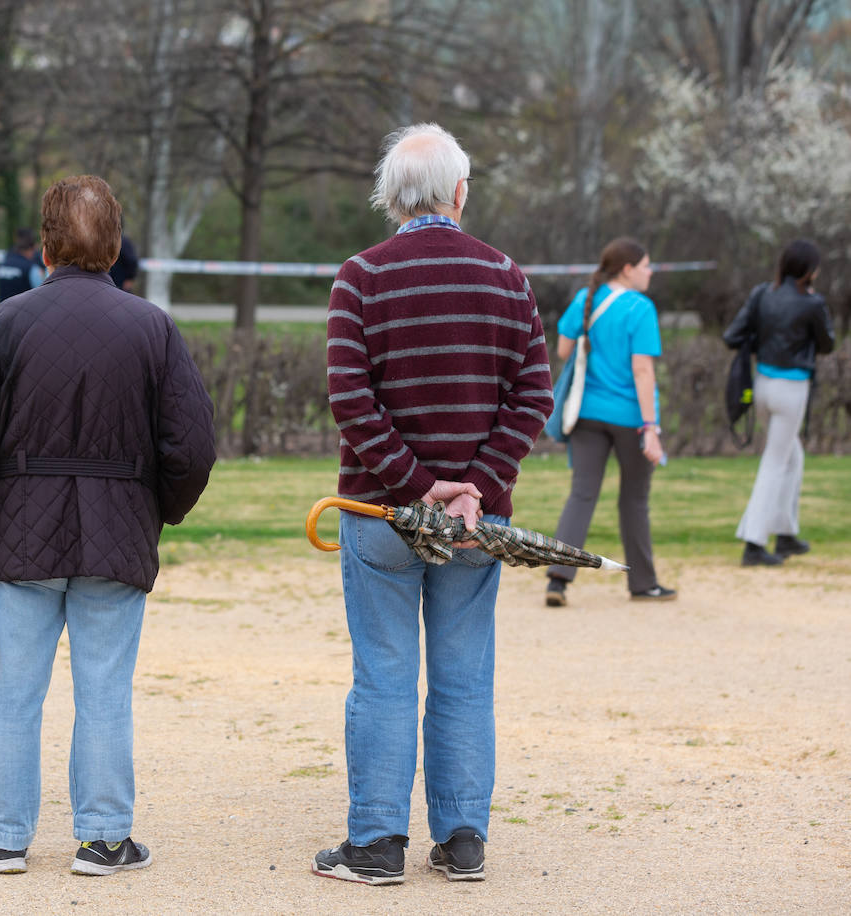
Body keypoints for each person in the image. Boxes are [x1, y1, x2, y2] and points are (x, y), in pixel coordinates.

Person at [0, 175, 215, 877]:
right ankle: (103, 838)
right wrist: (160, 509)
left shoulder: (6, 324)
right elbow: (192, 446)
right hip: (116, 528)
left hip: (19, 534)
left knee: (13, 691)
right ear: (117, 246)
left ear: (44, 247)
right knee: (104, 692)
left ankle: (5, 838)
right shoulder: (152, 326)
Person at [314, 123, 553, 885]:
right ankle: (462, 838)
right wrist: (475, 483)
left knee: (384, 674)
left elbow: (351, 401)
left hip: (383, 515)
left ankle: (377, 845)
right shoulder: (508, 276)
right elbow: (533, 396)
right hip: (479, 522)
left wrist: (420, 488)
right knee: (463, 676)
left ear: (391, 197)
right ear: (458, 192)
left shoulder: (360, 277)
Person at [544, 238, 674, 606]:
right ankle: (643, 584)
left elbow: (565, 350)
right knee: (634, 500)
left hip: (587, 412)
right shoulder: (641, 308)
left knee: (582, 494)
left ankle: (558, 579)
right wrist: (651, 426)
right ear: (628, 269)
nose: (651, 272)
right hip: (630, 417)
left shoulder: (587, 299)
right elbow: (643, 369)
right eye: (647, 265)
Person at [723, 239, 835, 566]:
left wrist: (763, 338)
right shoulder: (812, 304)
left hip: (763, 386)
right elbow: (827, 344)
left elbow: (732, 336)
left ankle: (785, 533)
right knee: (775, 461)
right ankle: (754, 542)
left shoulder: (762, 294)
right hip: (791, 389)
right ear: (810, 270)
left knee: (792, 456)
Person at [0, 227, 45, 302]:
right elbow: (42, 294)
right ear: (33, 248)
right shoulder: (31, 268)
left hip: (2, 310)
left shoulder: (4, 262)